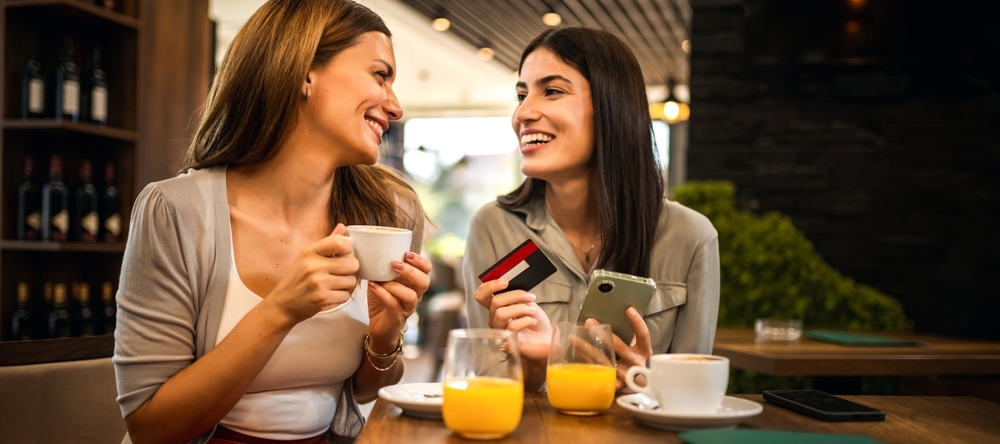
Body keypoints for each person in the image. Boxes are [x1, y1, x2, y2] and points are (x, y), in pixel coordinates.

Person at [113, 1, 430, 443]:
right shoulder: (175, 211)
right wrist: (282, 310)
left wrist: (385, 335)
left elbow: (365, 389)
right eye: (380, 75)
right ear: (304, 71)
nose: (395, 107)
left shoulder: (388, 212)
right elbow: (150, 426)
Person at [463, 27, 720, 391]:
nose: (523, 112)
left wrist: (642, 386)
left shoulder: (691, 236)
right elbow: (491, 385)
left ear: (612, 107)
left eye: (552, 91)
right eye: (521, 95)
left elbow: (697, 394)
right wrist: (538, 364)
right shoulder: (492, 226)